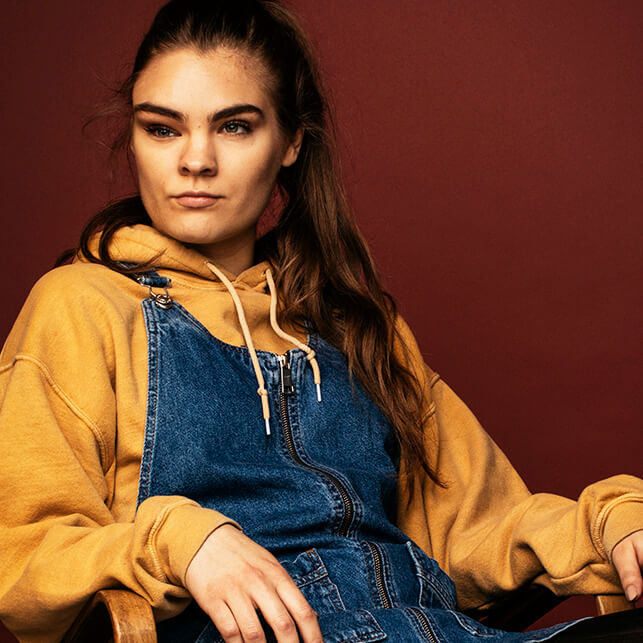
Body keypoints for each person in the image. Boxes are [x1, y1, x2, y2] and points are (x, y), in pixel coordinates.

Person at [0, 1, 641, 641]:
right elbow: (20, 557)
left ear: (291, 142)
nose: (195, 160)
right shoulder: (81, 306)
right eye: (163, 129)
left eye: (234, 127)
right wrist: (181, 541)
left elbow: (478, 526)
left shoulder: (357, 327)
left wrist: (608, 524)